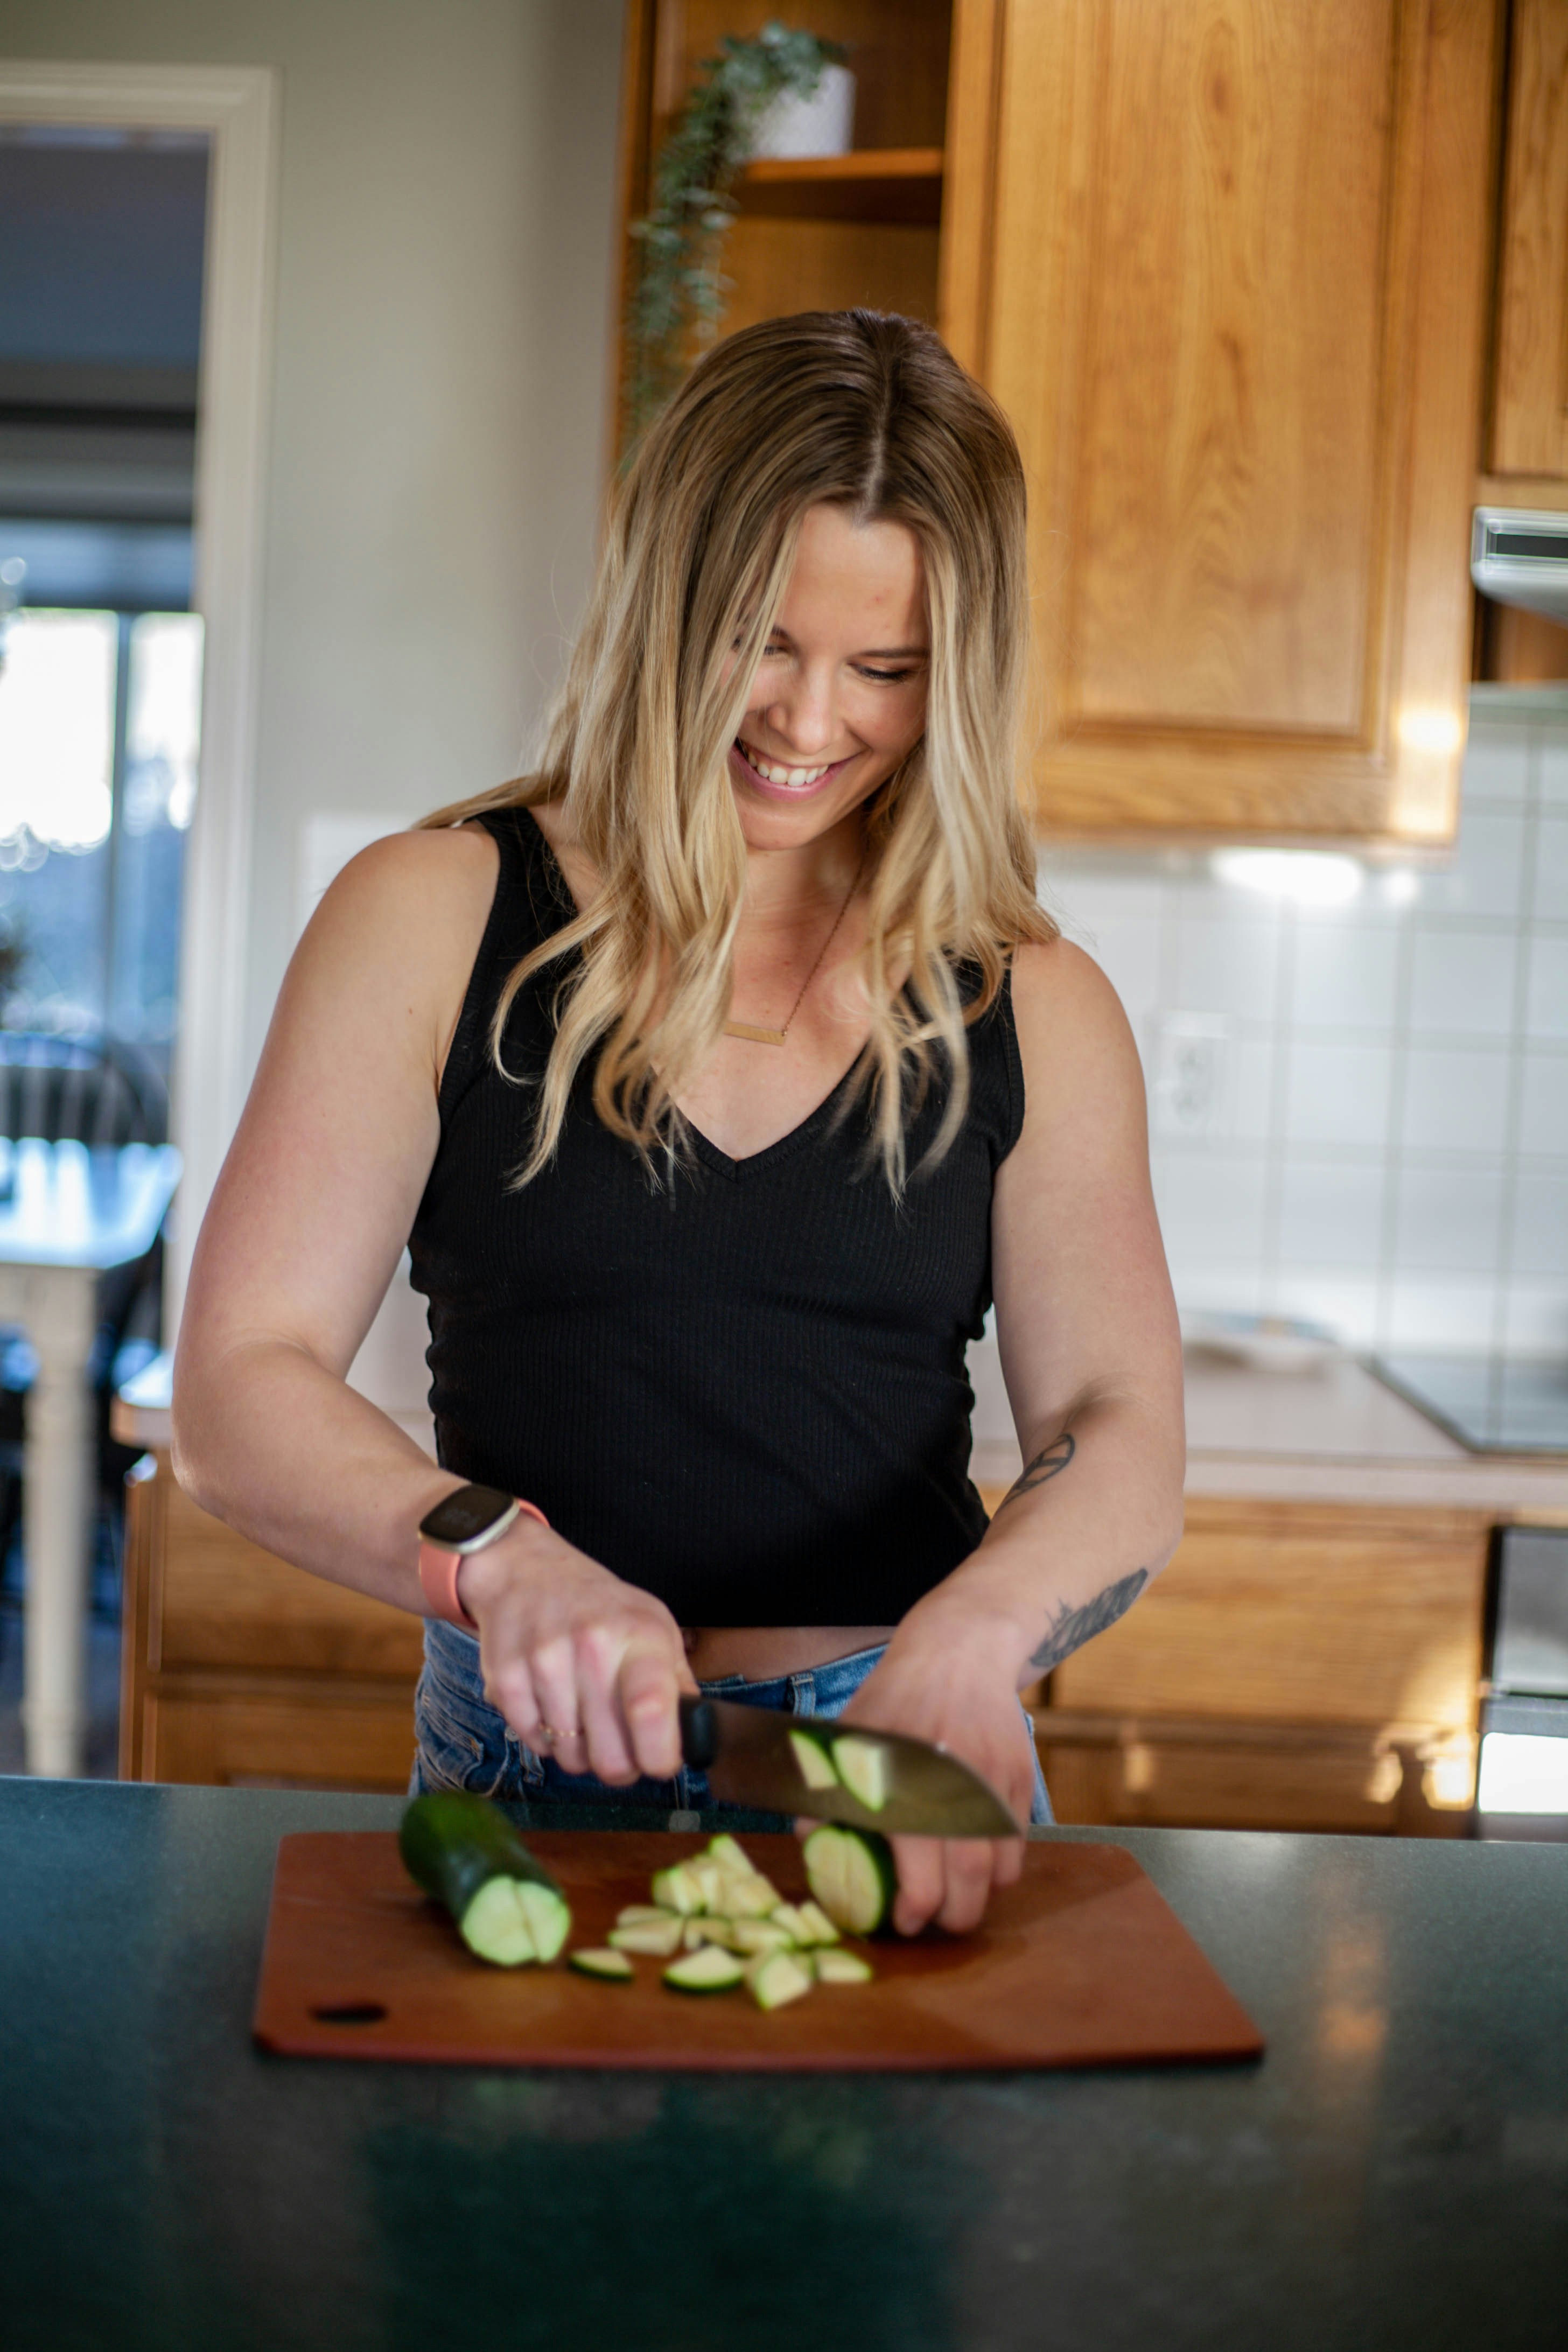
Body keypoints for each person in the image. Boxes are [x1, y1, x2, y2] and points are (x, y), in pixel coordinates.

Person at [172, 309, 1185, 1936]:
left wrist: (981, 1634)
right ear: (662, 601)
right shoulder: (429, 916)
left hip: (894, 1769)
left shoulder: (1031, 999)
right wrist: (500, 1560)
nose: (808, 722)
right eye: (761, 642)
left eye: (888, 670)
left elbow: (1122, 1424)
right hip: (525, 1766)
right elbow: (235, 1385)